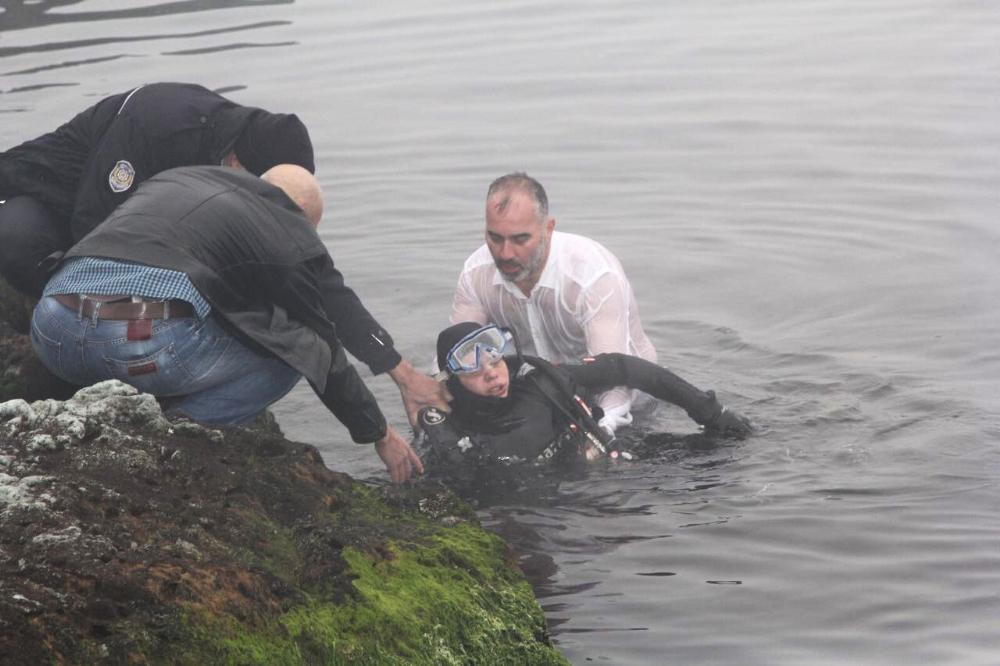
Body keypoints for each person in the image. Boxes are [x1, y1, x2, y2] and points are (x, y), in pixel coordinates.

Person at [29, 164, 444, 483]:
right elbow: (323, 343)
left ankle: (118, 411)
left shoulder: (179, 179)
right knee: (294, 353)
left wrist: (402, 374)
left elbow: (332, 302)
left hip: (53, 327)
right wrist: (379, 432)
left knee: (201, 317)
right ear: (301, 218)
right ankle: (172, 437)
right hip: (139, 338)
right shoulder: (285, 228)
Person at [0, 82, 315, 298]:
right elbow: (96, 224)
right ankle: (55, 330)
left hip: (127, 210)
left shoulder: (237, 140)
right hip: (56, 198)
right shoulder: (162, 127)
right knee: (18, 241)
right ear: (237, 162)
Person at [450, 172, 657, 437]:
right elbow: (459, 354)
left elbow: (614, 380)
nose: (505, 253)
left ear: (548, 229)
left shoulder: (592, 277)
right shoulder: (475, 274)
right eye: (495, 238)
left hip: (630, 404)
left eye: (520, 239)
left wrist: (600, 432)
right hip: (538, 394)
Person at [419, 322, 752, 478]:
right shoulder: (449, 430)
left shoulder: (542, 381)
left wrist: (708, 409)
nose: (493, 374)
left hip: (608, 468)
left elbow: (624, 367)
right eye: (475, 370)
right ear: (452, 381)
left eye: (496, 361)